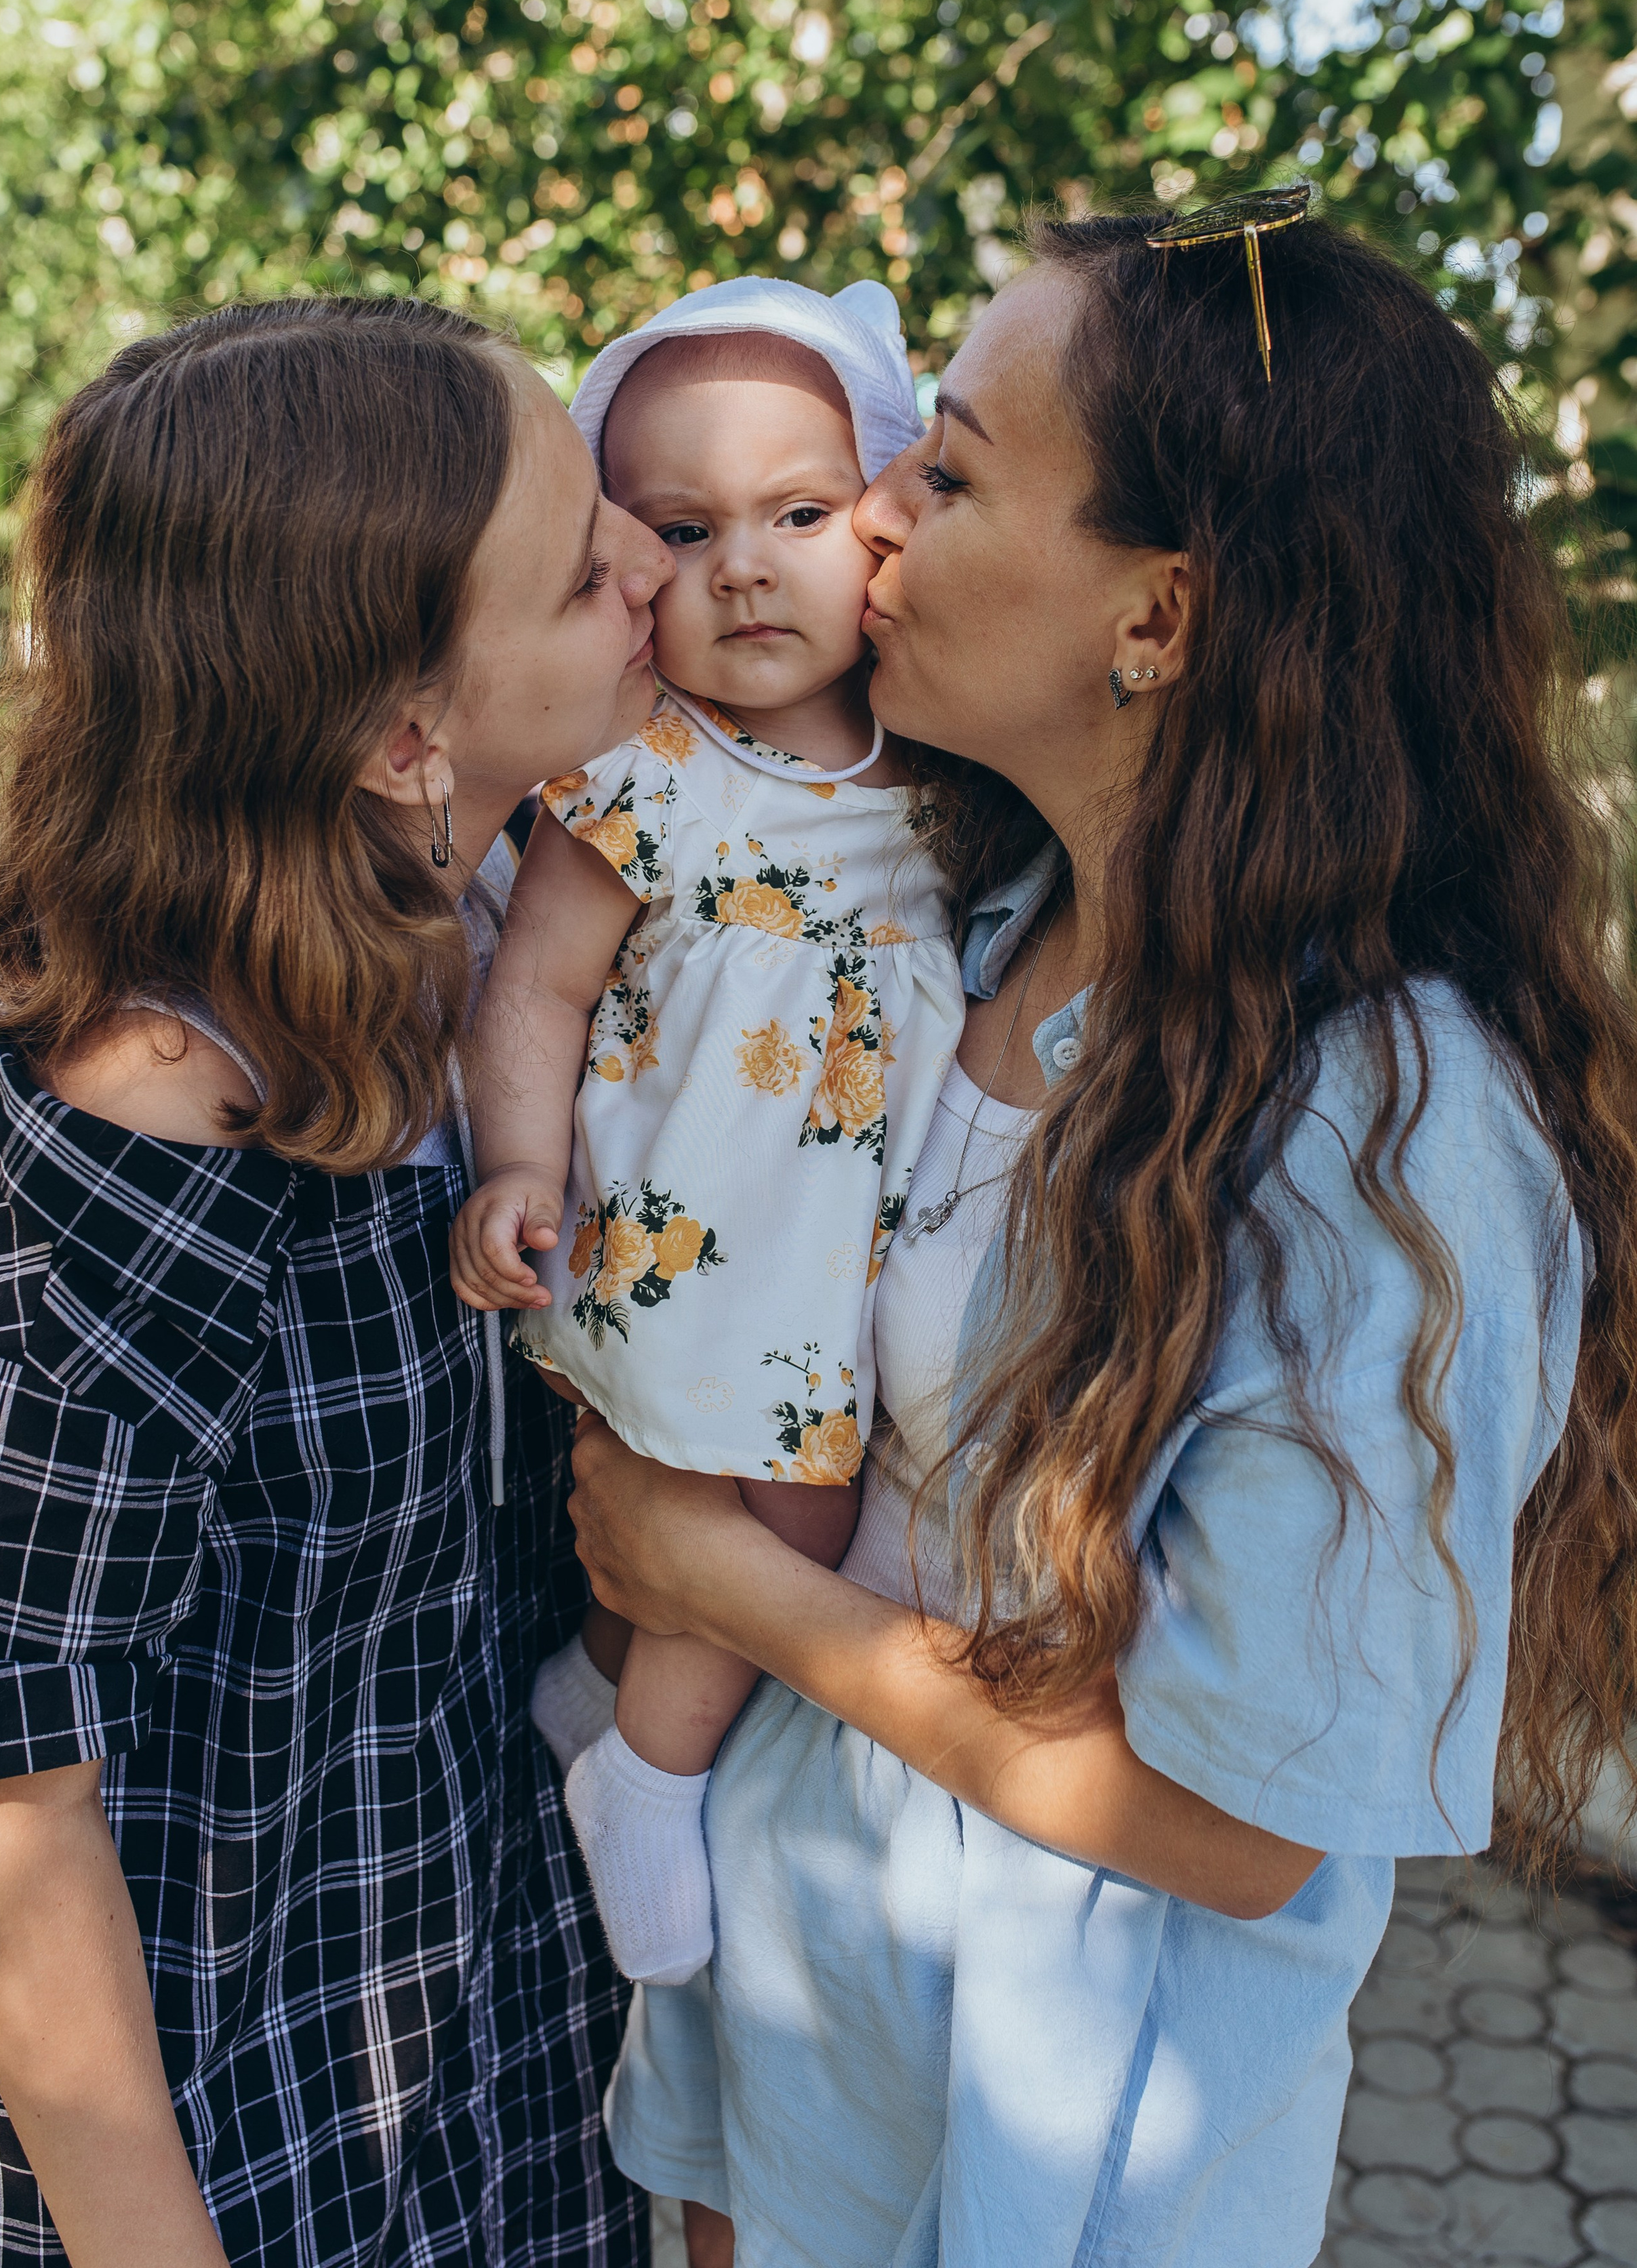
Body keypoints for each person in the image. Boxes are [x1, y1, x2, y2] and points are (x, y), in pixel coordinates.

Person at [561, 207, 1637, 2268]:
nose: (869, 518)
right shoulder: (957, 932)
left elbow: (1239, 1830)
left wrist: (722, 1588)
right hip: (784, 2039)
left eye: (948, 472)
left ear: (1161, 613)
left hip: (1060, 2151)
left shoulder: (1388, 1132)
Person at [0, 295, 674, 2268]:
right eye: (590, 571)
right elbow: (8, 1790)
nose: (655, 572)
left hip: (442, 2002)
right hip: (214, 2093)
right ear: (407, 733)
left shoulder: (486, 926)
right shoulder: (151, 1119)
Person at [449, 279, 961, 1993]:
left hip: (857, 1271)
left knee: (754, 1534)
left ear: (879, 517)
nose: (744, 565)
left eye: (800, 515)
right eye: (683, 526)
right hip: (684, 1248)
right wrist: (518, 1166)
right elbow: (530, 987)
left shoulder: (944, 780)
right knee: (735, 1520)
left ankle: (604, 1709)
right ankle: (648, 1780)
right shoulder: (644, 773)